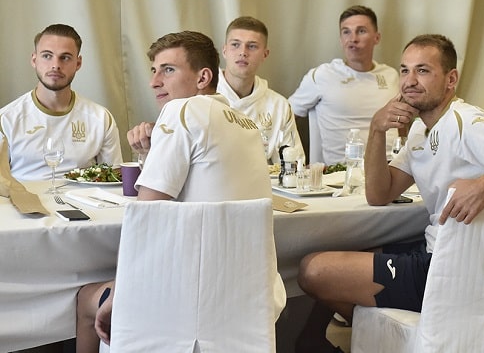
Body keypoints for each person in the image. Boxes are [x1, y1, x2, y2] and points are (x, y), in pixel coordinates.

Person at [295, 34, 484, 353]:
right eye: (404, 70)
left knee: (313, 270)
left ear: (451, 79)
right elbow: (380, 193)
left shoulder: (466, 121)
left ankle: (344, 341)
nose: (409, 81)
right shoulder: (420, 128)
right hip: (432, 250)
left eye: (423, 70)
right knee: (343, 251)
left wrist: (483, 185)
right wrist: (376, 130)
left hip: (449, 269)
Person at [75, 31, 285, 352]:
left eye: (168, 70)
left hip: (187, 298)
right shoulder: (247, 125)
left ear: (203, 77)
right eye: (154, 71)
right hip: (249, 297)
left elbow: (147, 220)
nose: (154, 82)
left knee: (85, 298)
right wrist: (150, 153)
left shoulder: (182, 111)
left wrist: (119, 293)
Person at [0, 24, 122, 180]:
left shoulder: (101, 118)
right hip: (22, 196)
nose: (55, 65)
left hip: (83, 196)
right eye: (47, 56)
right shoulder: (6, 119)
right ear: (34, 60)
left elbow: (113, 180)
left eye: (65, 57)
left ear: (78, 63)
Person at [288, 5, 399, 164]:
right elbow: (284, 118)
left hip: (390, 166)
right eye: (346, 32)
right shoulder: (322, 75)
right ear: (341, 39)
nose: (353, 39)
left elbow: (401, 124)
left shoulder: (391, 75)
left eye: (361, 31)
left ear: (377, 38)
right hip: (341, 169)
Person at [217, 16, 304, 164]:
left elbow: (294, 164)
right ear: (224, 51)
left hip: (263, 178)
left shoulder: (279, 105)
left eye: (252, 46)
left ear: (265, 54)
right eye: (235, 45)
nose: (243, 52)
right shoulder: (201, 97)